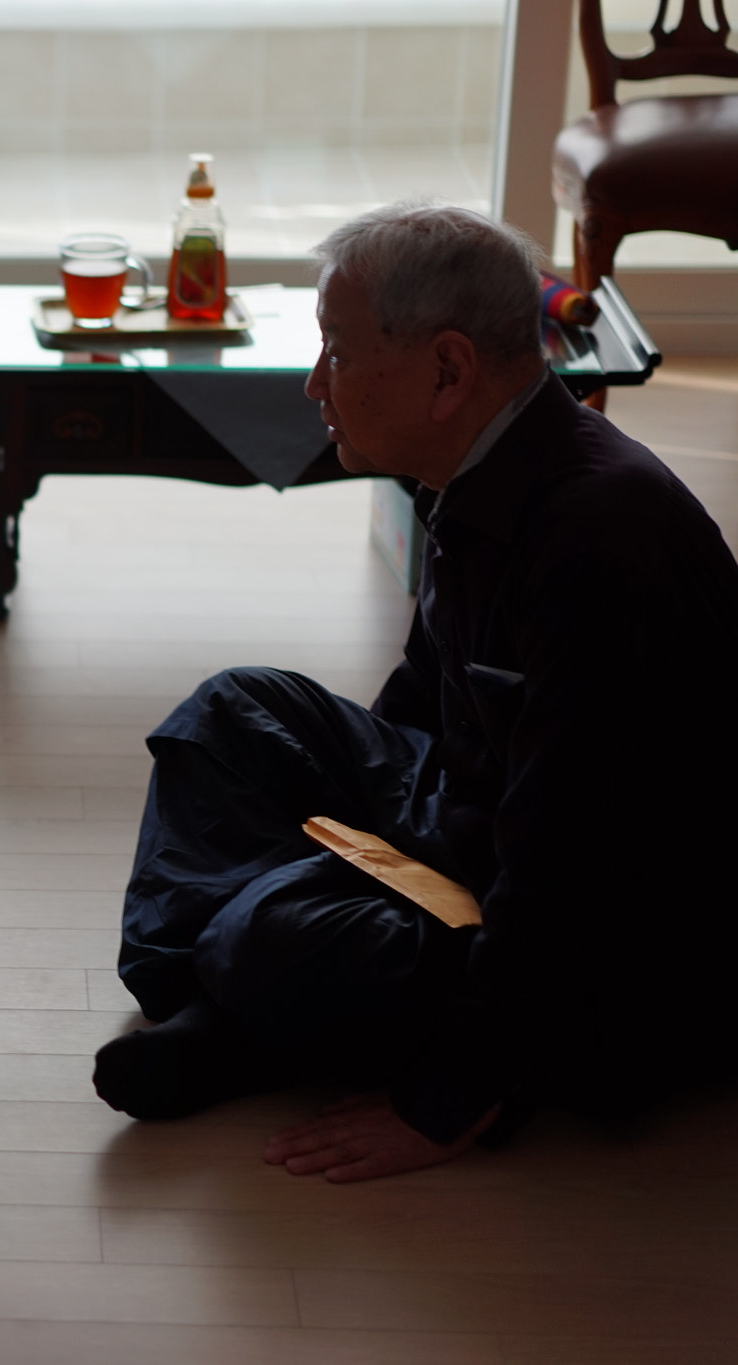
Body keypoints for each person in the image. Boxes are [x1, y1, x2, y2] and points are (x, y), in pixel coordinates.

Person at [91, 201, 738, 1182]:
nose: (314, 385)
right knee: (234, 712)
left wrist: (445, 1102)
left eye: (336, 355)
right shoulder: (476, 469)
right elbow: (426, 695)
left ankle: (233, 1002)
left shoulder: (596, 538)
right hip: (473, 812)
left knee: (275, 939)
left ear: (445, 370)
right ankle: (222, 998)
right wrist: (357, 837)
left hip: (610, 938)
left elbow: (572, 860)